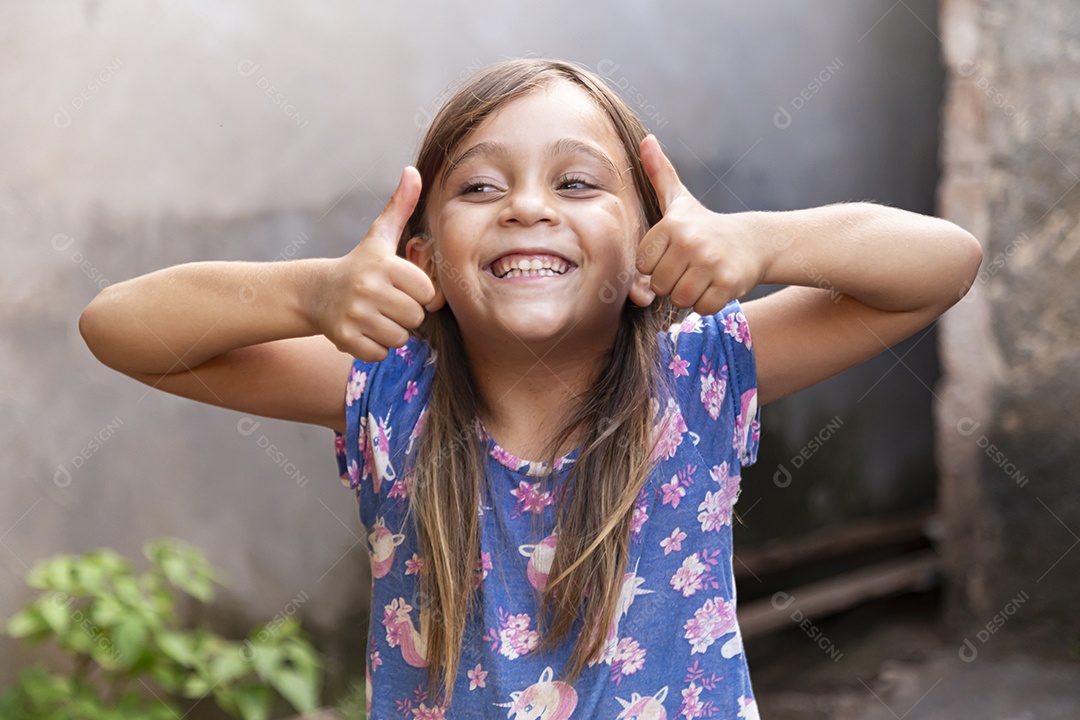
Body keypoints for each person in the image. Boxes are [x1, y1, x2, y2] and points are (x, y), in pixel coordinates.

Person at [80, 58, 982, 719]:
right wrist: (309, 292)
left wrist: (762, 244)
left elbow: (943, 264)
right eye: (479, 185)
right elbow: (120, 325)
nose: (527, 206)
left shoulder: (703, 374)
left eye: (578, 182)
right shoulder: (390, 394)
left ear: (648, 254)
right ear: (422, 258)